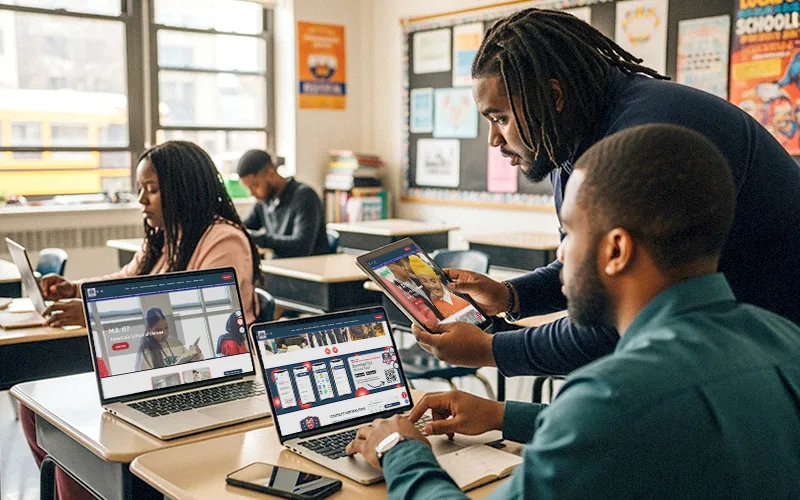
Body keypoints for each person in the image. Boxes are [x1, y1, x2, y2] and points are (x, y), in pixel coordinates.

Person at [346, 125, 800, 499]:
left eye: (570, 232)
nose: (562, 252)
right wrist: (507, 415)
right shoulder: (784, 340)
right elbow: (648, 433)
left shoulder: (613, 394)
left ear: (616, 249)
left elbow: (618, 418)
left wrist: (399, 449)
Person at [410, 8, 800, 377]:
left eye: (501, 118)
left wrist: (490, 350)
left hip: (771, 355)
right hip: (724, 348)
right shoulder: (571, 137)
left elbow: (612, 322)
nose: (494, 139)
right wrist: (511, 296)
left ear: (553, 97)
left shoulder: (643, 141)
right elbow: (592, 270)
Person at [24, 140, 264, 500]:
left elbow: (196, 328)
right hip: (156, 371)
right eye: (140, 189)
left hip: (206, 377)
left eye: (151, 190)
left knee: (76, 436)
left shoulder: (222, 239)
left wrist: (92, 316)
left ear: (181, 189)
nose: (141, 200)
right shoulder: (169, 237)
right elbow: (125, 280)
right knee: (36, 412)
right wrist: (76, 289)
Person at [237, 149, 329, 258]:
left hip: (308, 269)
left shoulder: (305, 196)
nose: (251, 193)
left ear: (270, 174)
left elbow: (301, 247)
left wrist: (257, 238)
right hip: (280, 267)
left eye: (255, 186)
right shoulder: (264, 201)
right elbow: (242, 227)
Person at [136, 307, 203, 370]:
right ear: (149, 330)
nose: (165, 333)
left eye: (166, 328)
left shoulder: (175, 342)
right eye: (159, 330)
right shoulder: (146, 353)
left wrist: (196, 356)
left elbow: (192, 367)